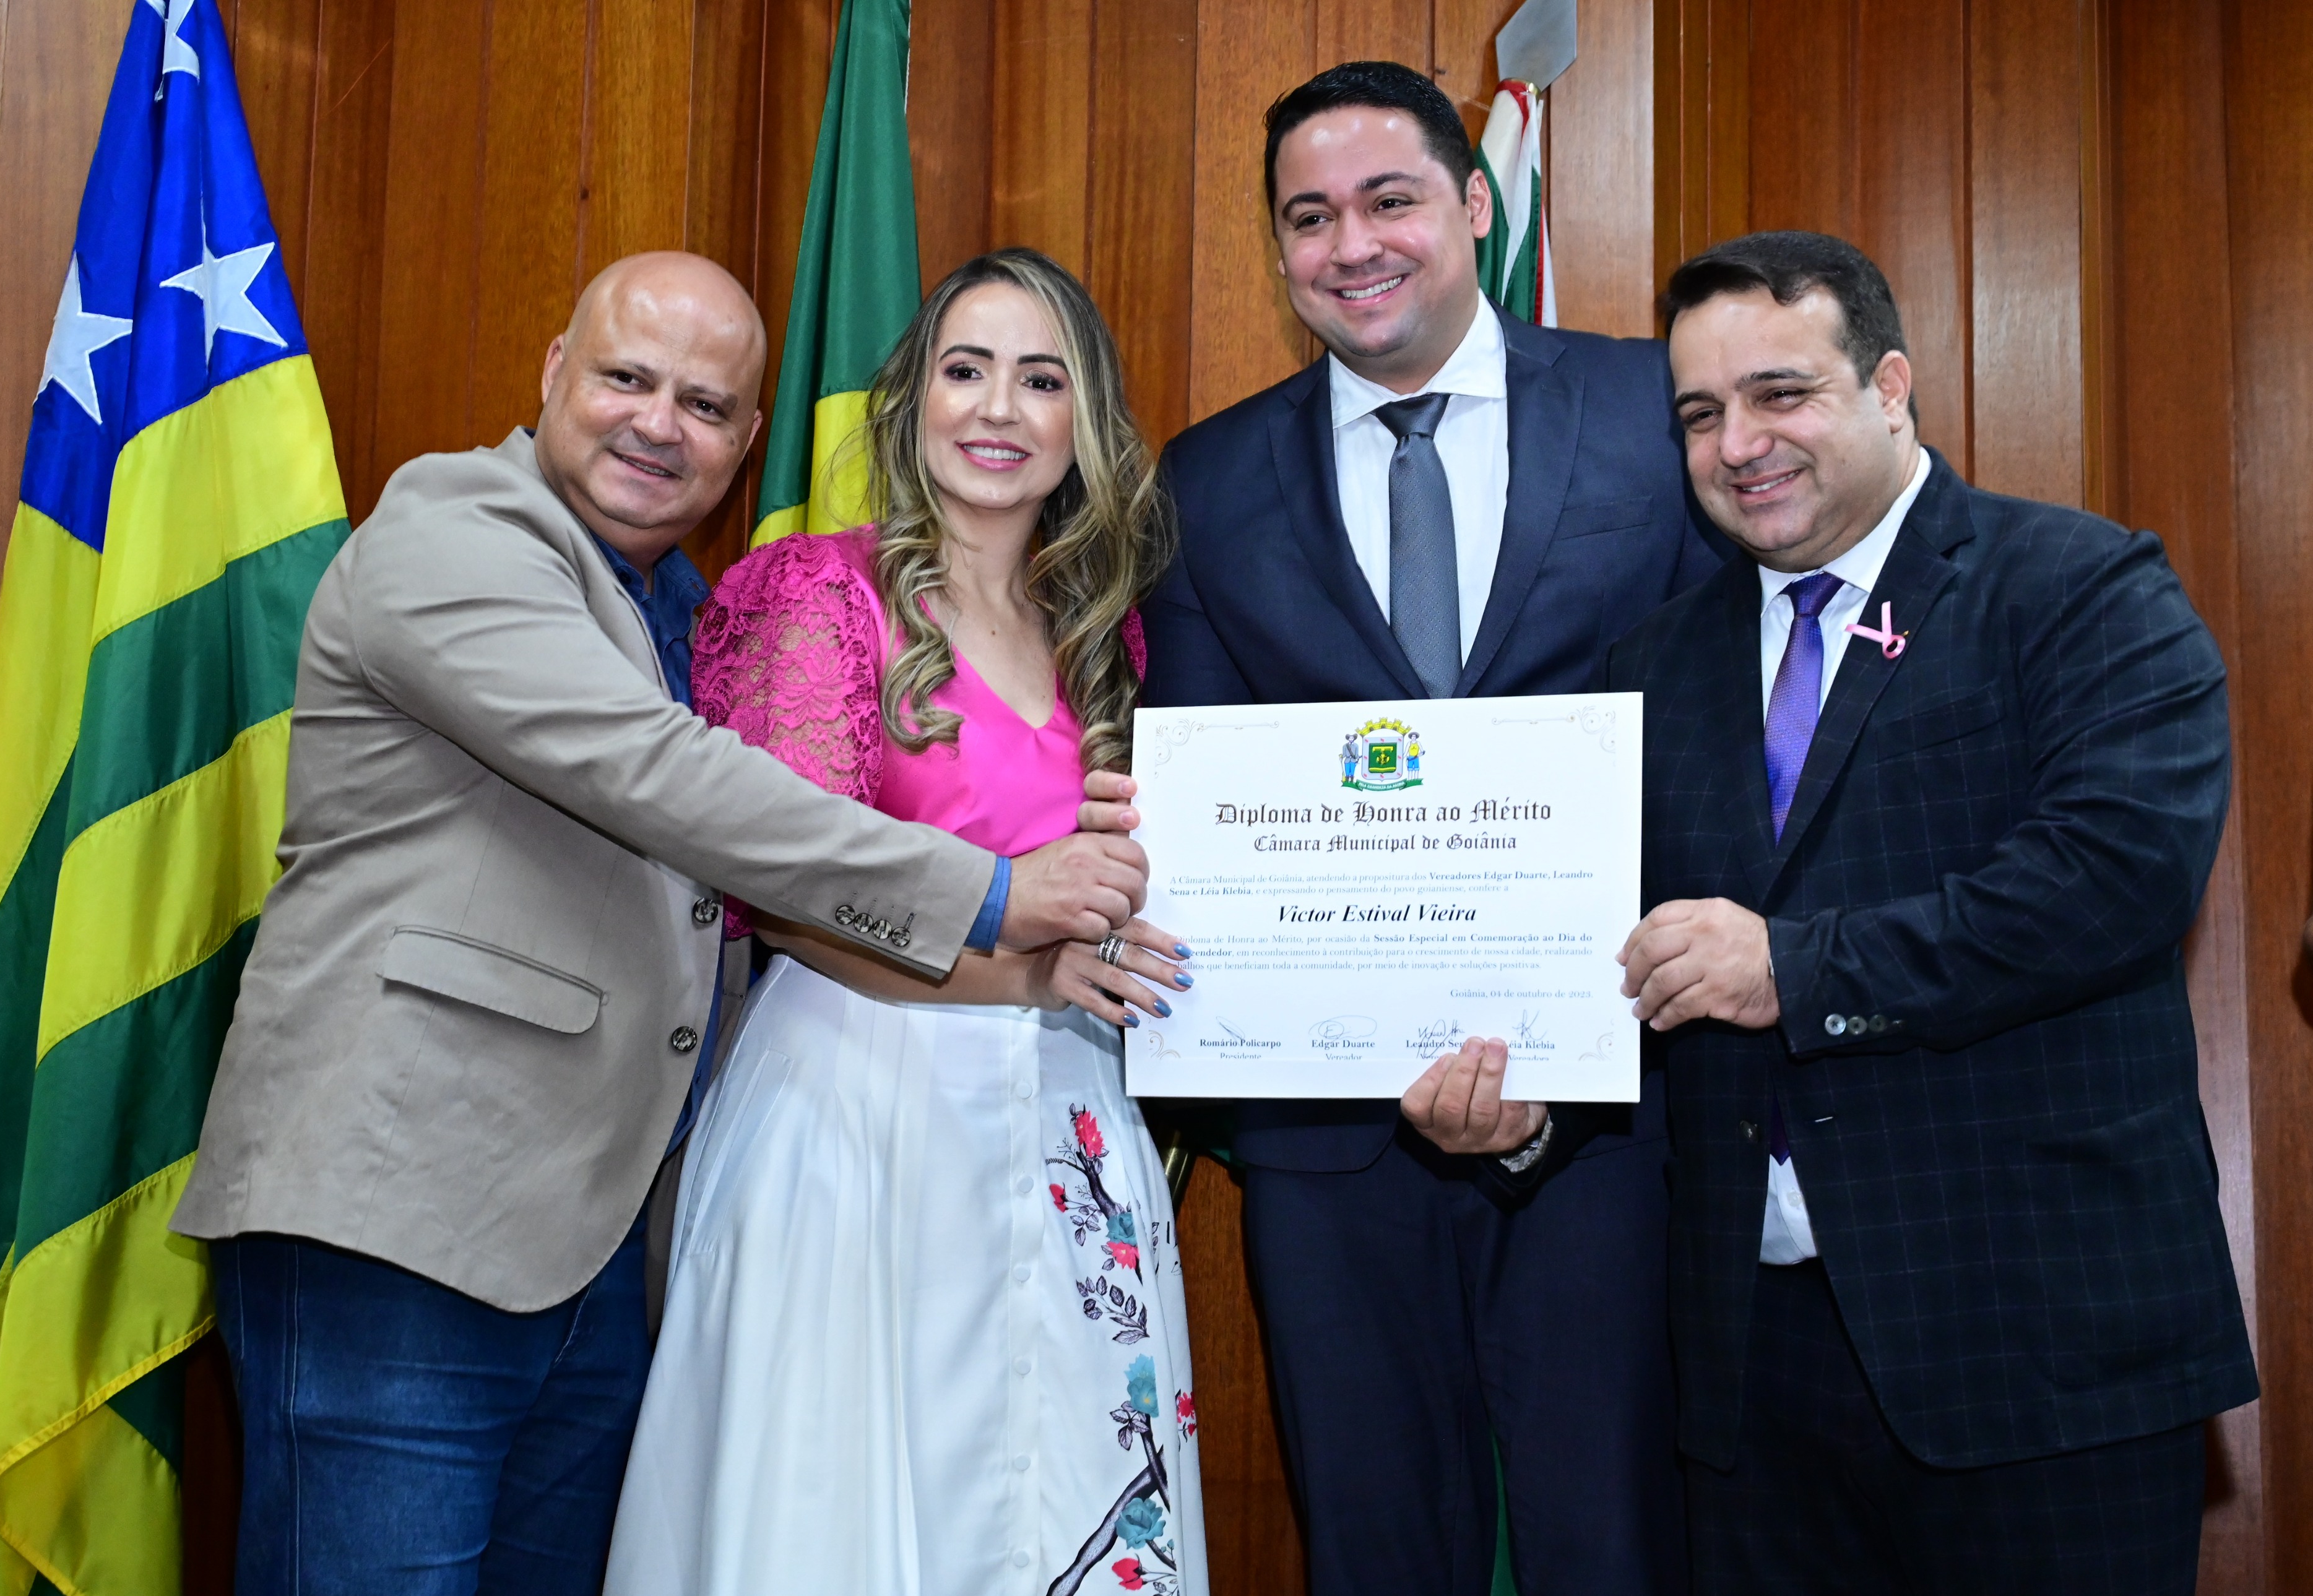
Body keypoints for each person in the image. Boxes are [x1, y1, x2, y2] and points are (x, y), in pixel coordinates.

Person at [170, 252, 1149, 1596]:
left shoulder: (684, 610)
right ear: (552, 374)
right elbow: (666, 779)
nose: (658, 424)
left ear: (748, 443)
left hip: (593, 1247)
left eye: (705, 405)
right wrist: (997, 898)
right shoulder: (455, 527)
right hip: (402, 1221)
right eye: (626, 379)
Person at [1103, 58, 1728, 1596]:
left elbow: (1724, 745)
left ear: (1472, 205)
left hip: (1614, 1116)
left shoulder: (1651, 415)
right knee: (1376, 1548)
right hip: (1327, 1144)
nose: (1351, 245)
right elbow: (1203, 788)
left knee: (1617, 1546)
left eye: (1388, 200)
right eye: (1307, 217)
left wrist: (1575, 1051)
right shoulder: (1205, 480)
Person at [1607, 230, 2257, 1594]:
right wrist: (1513, 1109)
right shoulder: (1653, 667)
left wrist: (1797, 969)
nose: (1738, 444)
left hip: (2037, 1350)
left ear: (1890, 386)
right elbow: (1616, 964)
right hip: (1753, 1374)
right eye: (1701, 414)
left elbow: (2116, 878)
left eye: (1781, 393)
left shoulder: (2079, 588)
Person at [602, 248, 1204, 1596]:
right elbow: (789, 897)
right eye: (964, 369)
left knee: (1056, 1491)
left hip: (1066, 1114)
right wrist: (1030, 977)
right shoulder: (819, 594)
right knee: (844, 1505)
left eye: (1040, 380)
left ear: (1085, 422)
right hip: (857, 1113)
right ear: (911, 399)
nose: (997, 409)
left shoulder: (1102, 637)